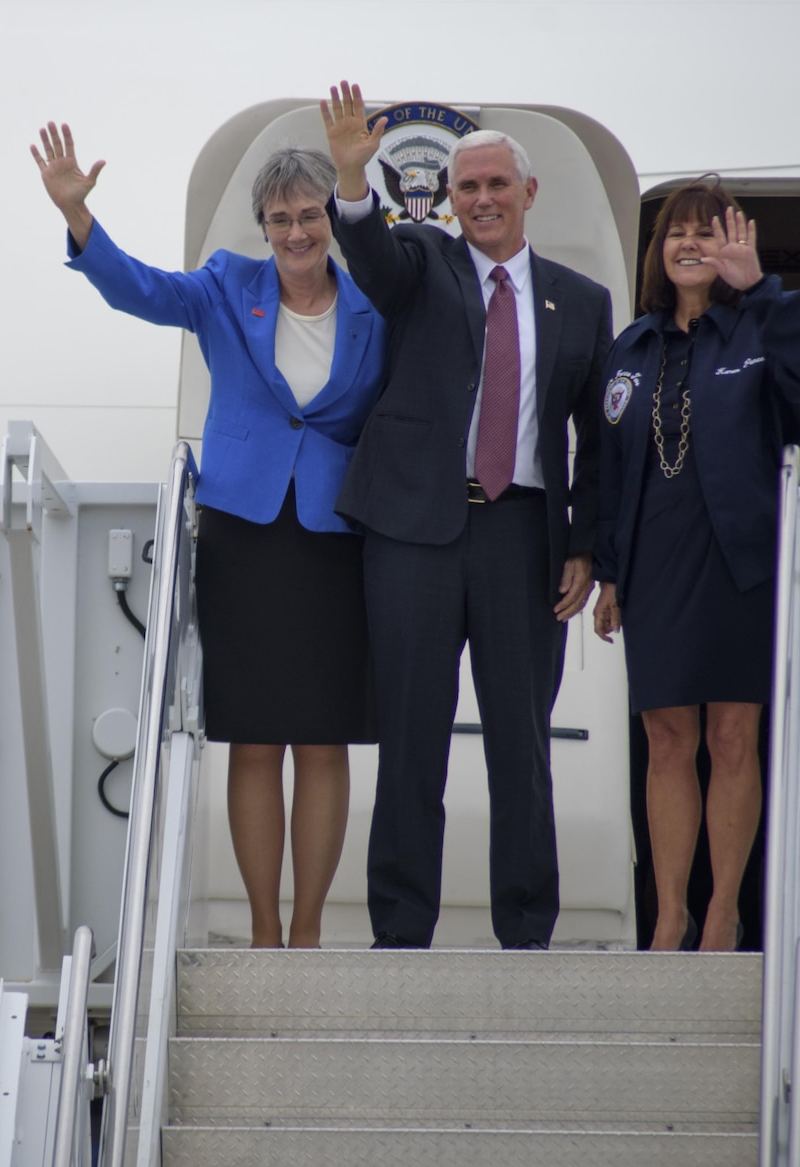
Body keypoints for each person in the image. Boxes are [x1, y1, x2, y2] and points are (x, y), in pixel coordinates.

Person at [31, 123, 385, 949]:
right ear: (261, 226)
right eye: (279, 218)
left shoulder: (374, 303)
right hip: (245, 532)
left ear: (331, 215)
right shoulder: (229, 284)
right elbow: (140, 291)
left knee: (325, 737)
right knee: (255, 736)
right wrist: (80, 219)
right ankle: (264, 929)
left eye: (309, 214)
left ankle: (307, 931)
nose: (295, 232)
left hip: (339, 535)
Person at [320, 84, 613, 951]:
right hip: (413, 531)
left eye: (495, 184)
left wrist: (586, 544)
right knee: (413, 737)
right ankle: (401, 928)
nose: (480, 199)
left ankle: (527, 929)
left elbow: (596, 438)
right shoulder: (422, 262)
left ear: (528, 193)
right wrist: (351, 178)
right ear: (448, 200)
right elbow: (369, 256)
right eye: (465, 187)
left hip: (523, 536)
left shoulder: (582, 300)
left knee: (521, 742)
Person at [591, 177, 800, 951]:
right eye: (676, 232)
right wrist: (608, 569)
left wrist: (759, 286)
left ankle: (722, 911)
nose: (690, 244)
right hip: (657, 560)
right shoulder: (630, 346)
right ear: (657, 252)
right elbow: (605, 466)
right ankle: (669, 912)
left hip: (743, 562)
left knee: (734, 736)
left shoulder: (761, 329)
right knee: (666, 738)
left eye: (708, 231)